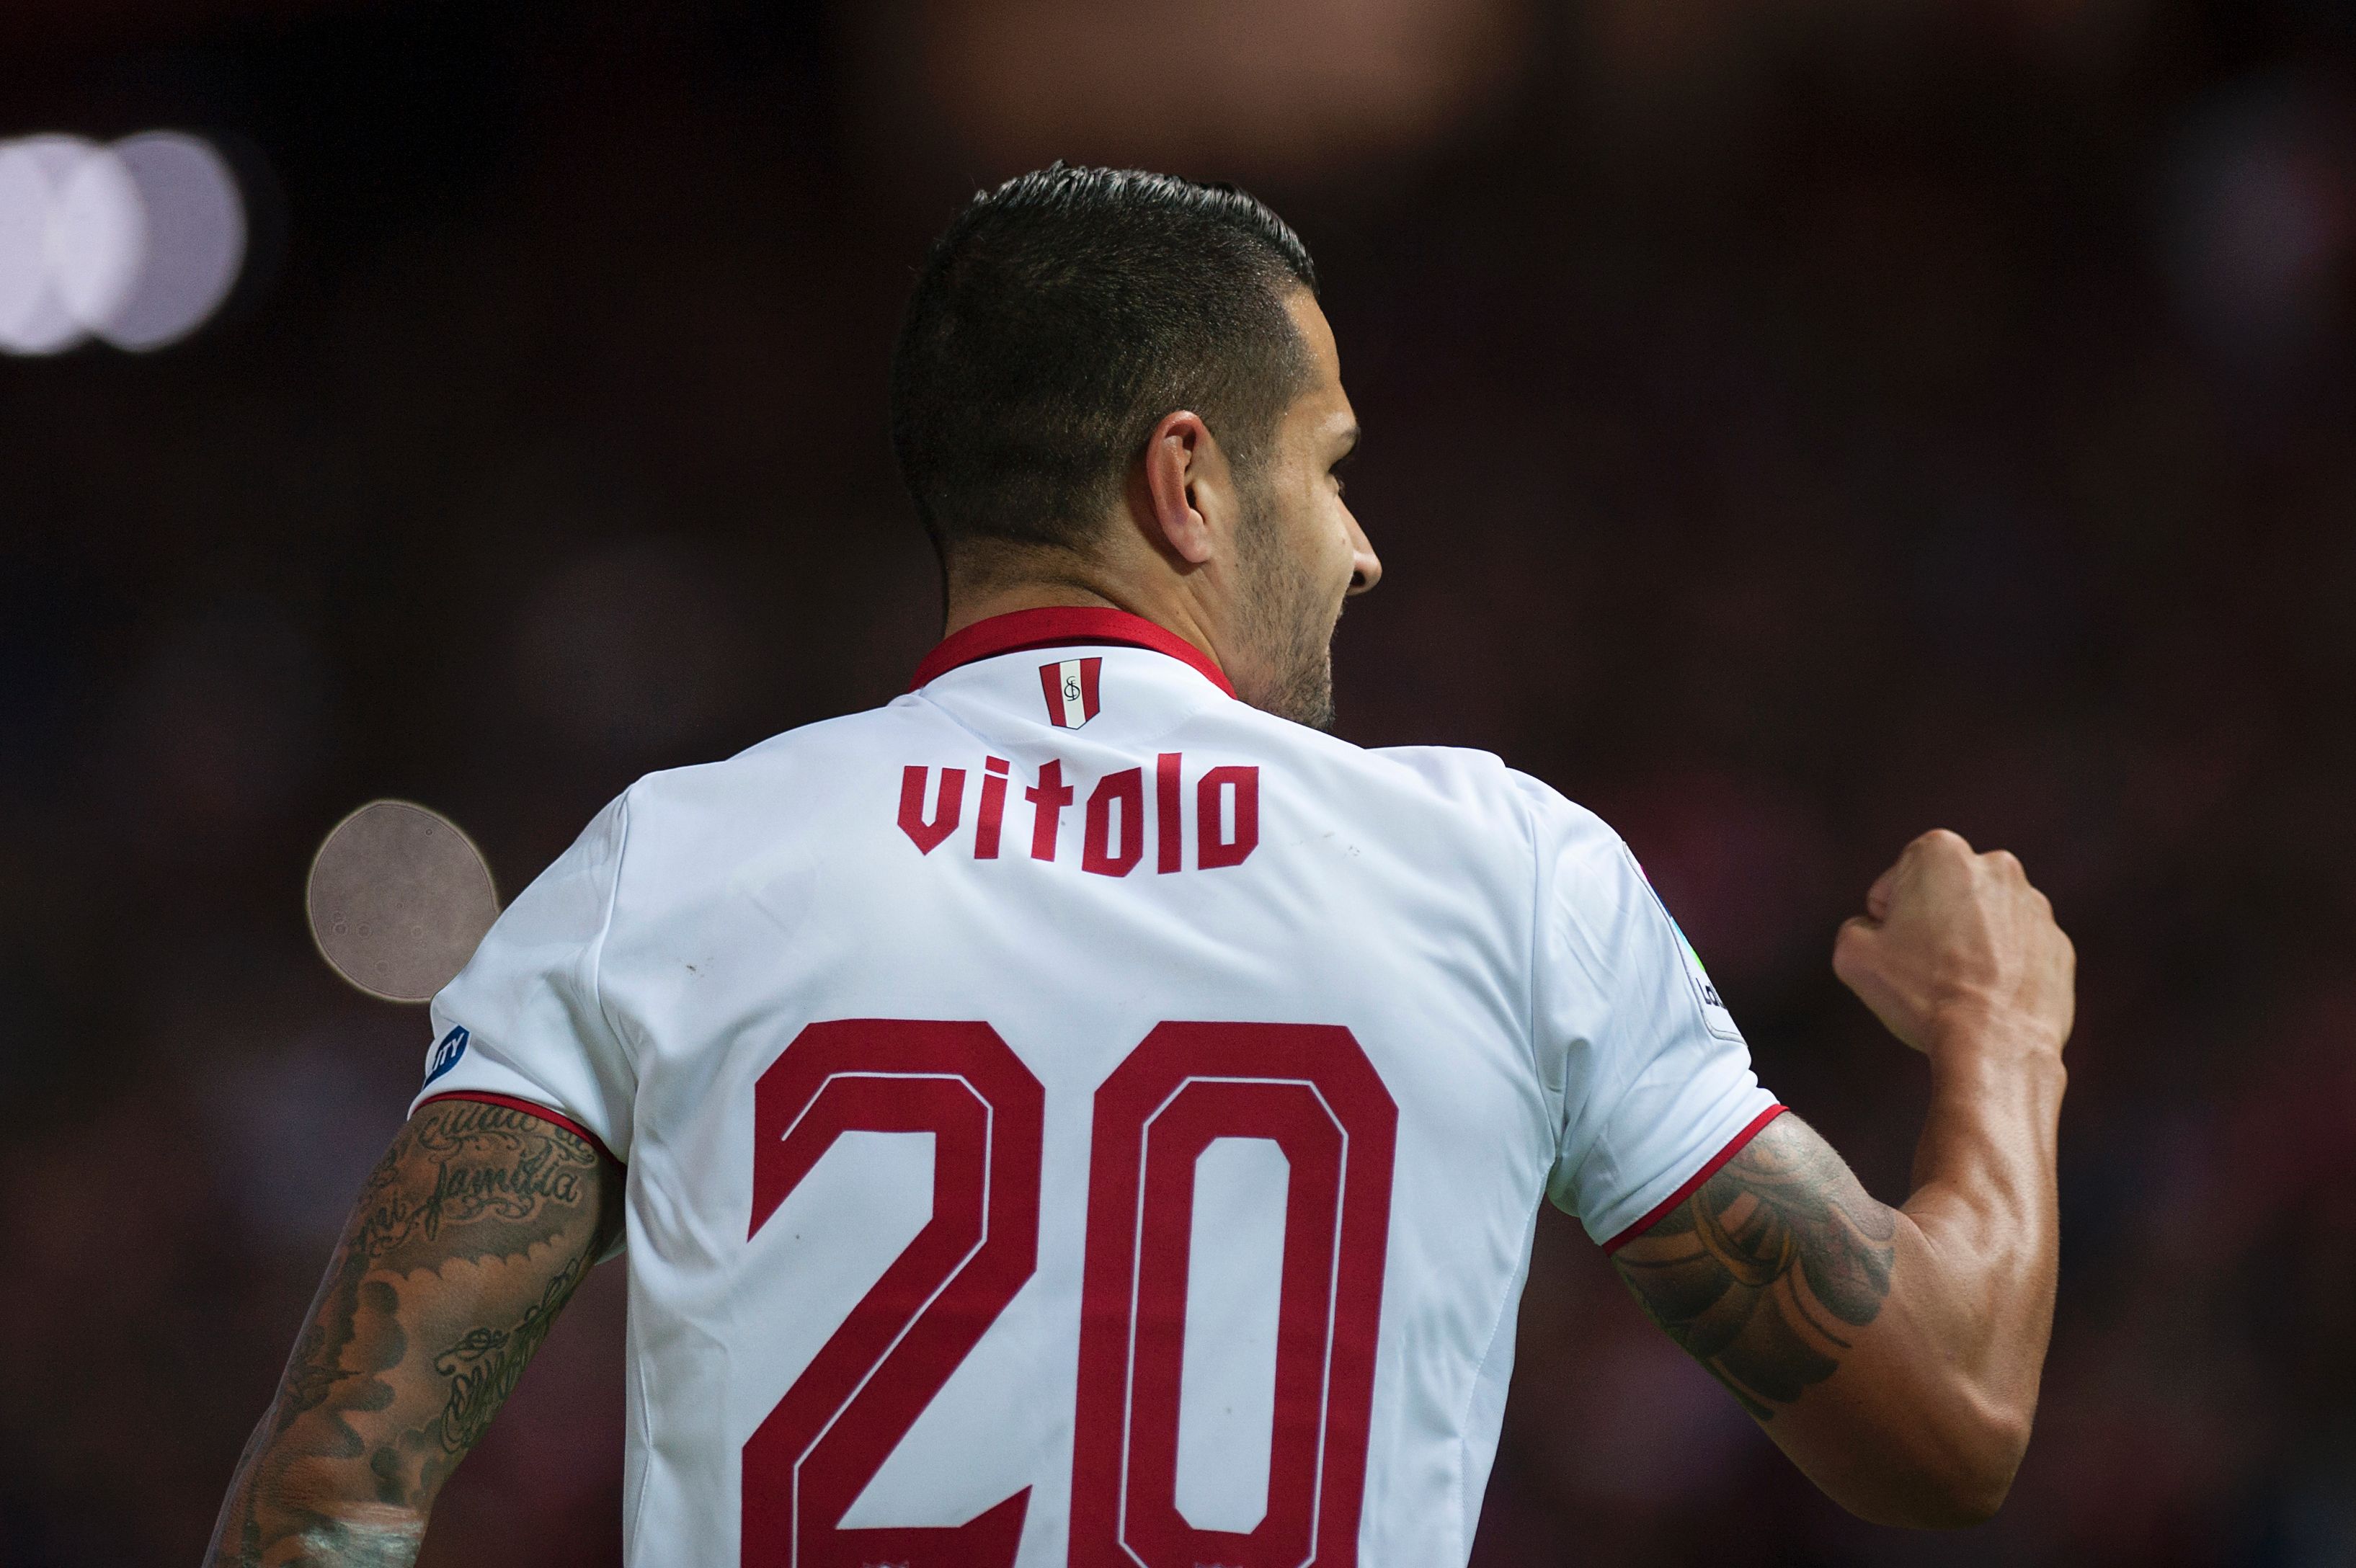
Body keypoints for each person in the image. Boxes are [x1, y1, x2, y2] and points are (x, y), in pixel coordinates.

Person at [205, 165, 2075, 1567]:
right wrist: (2003, 1027)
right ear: (1186, 482)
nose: (1359, 548)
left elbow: (322, 1505)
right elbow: (1952, 1419)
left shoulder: (661, 872)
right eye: (1329, 465)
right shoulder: (1505, 877)